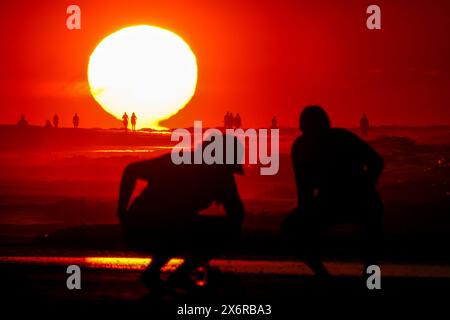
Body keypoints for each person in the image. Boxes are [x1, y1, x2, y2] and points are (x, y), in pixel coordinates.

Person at [117, 134, 245, 293]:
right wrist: (121, 212)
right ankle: (173, 275)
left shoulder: (223, 177)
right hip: (142, 224)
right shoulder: (179, 162)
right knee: (180, 224)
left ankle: (168, 274)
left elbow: (236, 214)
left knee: (218, 228)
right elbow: (131, 170)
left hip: (170, 224)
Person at [282, 106, 383, 277]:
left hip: (359, 200)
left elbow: (376, 162)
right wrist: (305, 215)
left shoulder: (342, 138)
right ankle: (323, 275)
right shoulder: (301, 147)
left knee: (370, 243)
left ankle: (371, 282)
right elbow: (303, 190)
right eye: (307, 128)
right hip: (330, 202)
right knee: (290, 228)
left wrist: (365, 187)